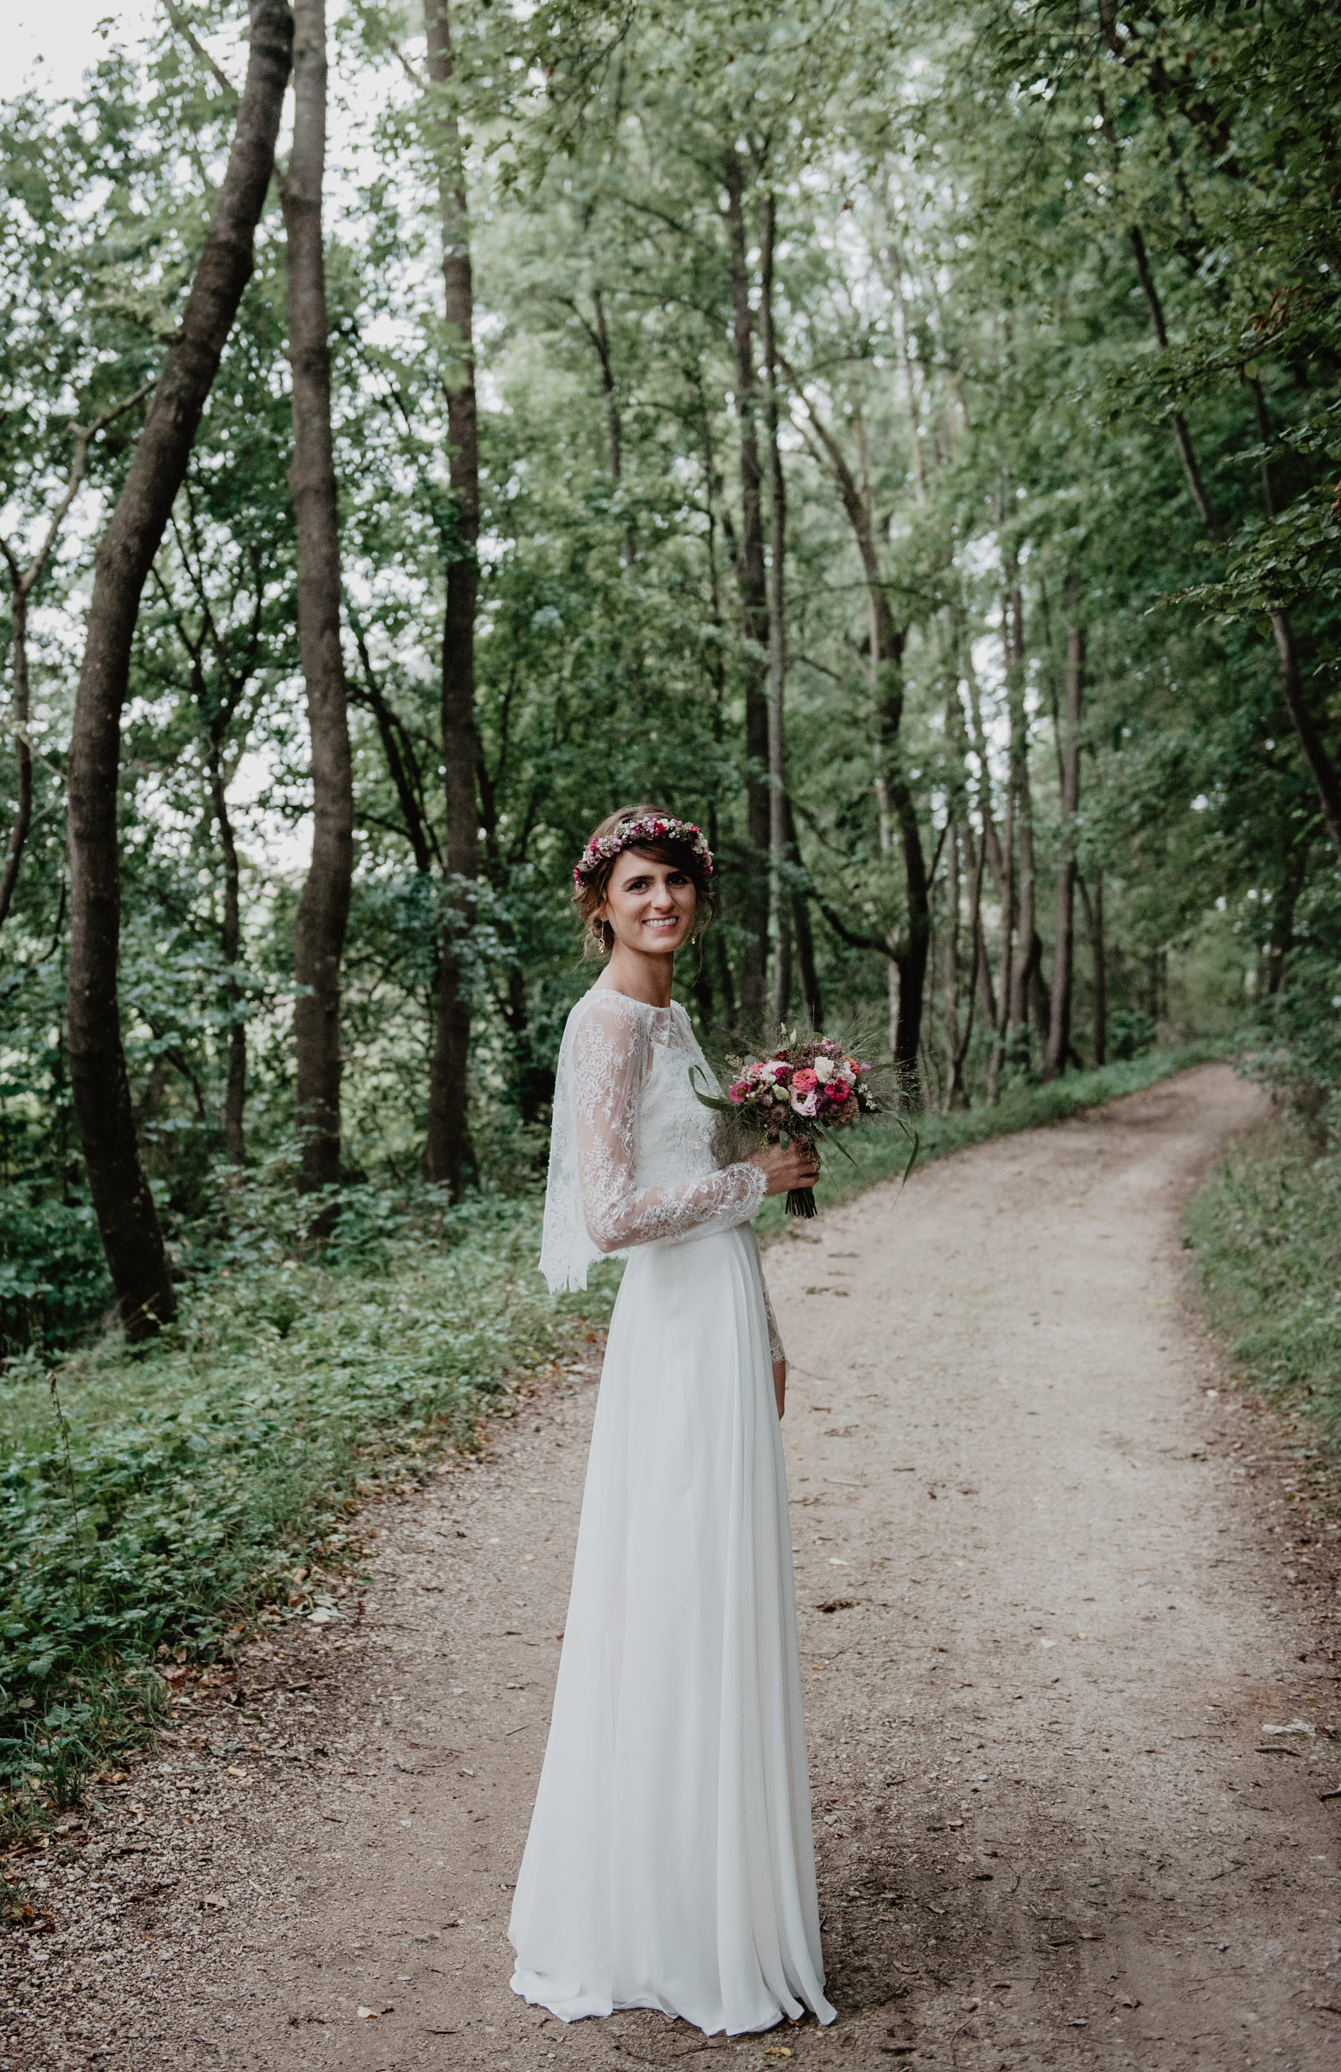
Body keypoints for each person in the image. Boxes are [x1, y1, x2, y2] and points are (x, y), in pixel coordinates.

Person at [509, 805, 836, 2036]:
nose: (664, 903)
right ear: (602, 903)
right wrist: (763, 1175)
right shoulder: (603, 1025)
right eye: (641, 886)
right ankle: (657, 1917)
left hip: (723, 1314)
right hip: (667, 1332)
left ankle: (719, 1895)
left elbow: (695, 1195)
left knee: (723, 1596)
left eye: (679, 884)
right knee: (673, 1597)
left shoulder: (675, 1018)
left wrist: (768, 1326)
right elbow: (607, 1213)